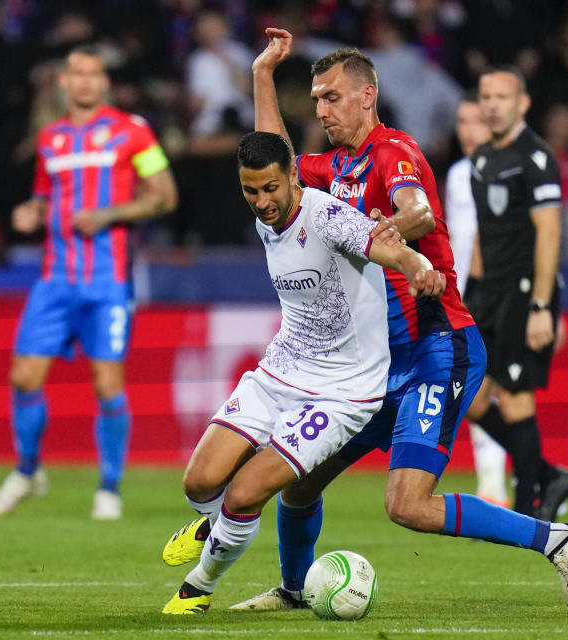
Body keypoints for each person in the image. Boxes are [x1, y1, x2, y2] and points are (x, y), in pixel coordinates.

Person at [164, 29, 568, 613]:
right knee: (299, 485)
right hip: (373, 367)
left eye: (332, 97)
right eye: (316, 99)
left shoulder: (394, 152)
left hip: (438, 343)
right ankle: (294, 591)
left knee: (408, 504)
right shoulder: (330, 166)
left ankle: (560, 539)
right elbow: (276, 157)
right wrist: (264, 75)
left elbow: (416, 208)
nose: (321, 108)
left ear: (367, 96)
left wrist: (392, 230)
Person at [161, 130, 446, 614]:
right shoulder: (266, 220)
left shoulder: (329, 217)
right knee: (199, 481)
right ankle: (215, 525)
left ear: (292, 176)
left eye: (271, 189)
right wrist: (263, 73)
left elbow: (391, 248)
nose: (262, 201)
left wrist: (419, 266)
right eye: (251, 191)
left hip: (343, 392)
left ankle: (198, 587)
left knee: (248, 492)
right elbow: (266, 135)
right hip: (281, 371)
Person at [0, 45, 178, 520]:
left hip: (107, 281)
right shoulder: (51, 139)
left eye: (94, 74)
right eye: (77, 74)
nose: (86, 82)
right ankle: (28, 472)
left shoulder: (133, 132)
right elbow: (47, 199)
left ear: (104, 82)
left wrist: (110, 213)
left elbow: (164, 197)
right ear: (63, 82)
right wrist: (32, 213)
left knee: (107, 384)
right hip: (55, 279)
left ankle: (109, 487)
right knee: (23, 377)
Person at [462, 66, 568, 521]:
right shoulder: (482, 159)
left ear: (522, 104)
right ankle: (550, 475)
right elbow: (481, 238)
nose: (492, 104)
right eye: (485, 95)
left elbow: (550, 233)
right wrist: (468, 299)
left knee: (514, 396)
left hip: (524, 290)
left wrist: (541, 306)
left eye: (501, 96)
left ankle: (531, 505)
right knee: (471, 399)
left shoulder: (536, 157)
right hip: (487, 294)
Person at [444, 94, 509, 509]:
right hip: (470, 295)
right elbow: (455, 240)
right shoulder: (456, 175)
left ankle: (503, 483)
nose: (467, 130)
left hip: (510, 293)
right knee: (480, 392)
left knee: (508, 391)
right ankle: (518, 476)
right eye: (461, 121)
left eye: (476, 122)